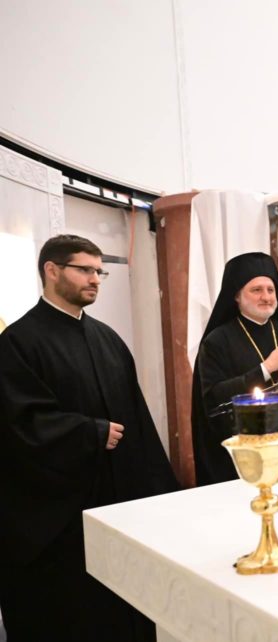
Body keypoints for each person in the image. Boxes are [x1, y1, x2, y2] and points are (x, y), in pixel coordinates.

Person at [0, 235, 178, 641]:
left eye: (100, 271)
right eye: (85, 269)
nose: (95, 279)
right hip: (58, 521)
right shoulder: (18, 343)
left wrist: (160, 493)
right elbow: (18, 423)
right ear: (52, 270)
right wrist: (89, 432)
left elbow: (139, 422)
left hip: (117, 504)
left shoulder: (108, 339)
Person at [191, 252, 278, 485]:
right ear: (237, 296)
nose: (266, 297)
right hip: (246, 454)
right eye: (256, 290)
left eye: (270, 290)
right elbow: (213, 398)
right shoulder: (217, 341)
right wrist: (265, 368)